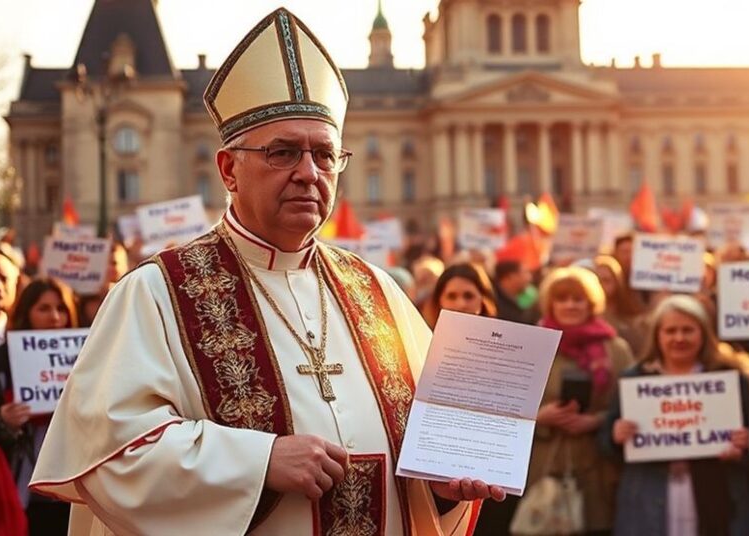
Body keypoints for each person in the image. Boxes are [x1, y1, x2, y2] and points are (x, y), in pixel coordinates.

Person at [29, 9, 495, 535]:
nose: (308, 173)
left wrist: (442, 485)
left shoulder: (379, 292)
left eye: (324, 155)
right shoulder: (155, 293)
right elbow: (111, 454)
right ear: (228, 169)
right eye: (283, 152)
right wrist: (258, 461)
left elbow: (424, 453)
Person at [603, 294, 749, 536]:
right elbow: (605, 441)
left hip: (717, 495)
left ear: (703, 334)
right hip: (648, 494)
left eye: (688, 330)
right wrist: (615, 435)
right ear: (657, 336)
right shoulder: (635, 379)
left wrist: (746, 443)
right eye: (670, 331)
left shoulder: (730, 378)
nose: (679, 338)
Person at [526, 267, 634, 535]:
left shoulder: (616, 349)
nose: (570, 305)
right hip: (544, 467)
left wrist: (596, 421)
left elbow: (632, 404)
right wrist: (540, 418)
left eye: (578, 299)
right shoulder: (531, 345)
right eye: (562, 299)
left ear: (591, 303)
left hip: (597, 470)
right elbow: (507, 406)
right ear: (550, 304)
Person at [0, 277, 78, 535]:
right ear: (26, 312)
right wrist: (3, 424)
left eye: (61, 308)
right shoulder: (0, 361)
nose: (54, 317)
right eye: (43, 308)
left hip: (72, 488)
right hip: (21, 489)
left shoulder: (86, 357)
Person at [592, 255, 649, 358]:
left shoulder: (635, 318)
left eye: (606, 280)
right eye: (596, 280)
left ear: (617, 282)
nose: (600, 285)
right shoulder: (583, 317)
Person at [421, 262, 497, 329]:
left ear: (483, 300)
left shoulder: (499, 342)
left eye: (469, 296)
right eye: (451, 296)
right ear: (438, 300)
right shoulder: (421, 341)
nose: (461, 304)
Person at [492, 260, 538, 325]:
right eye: (525, 273)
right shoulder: (492, 305)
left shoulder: (530, 302)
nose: (530, 278)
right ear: (510, 276)